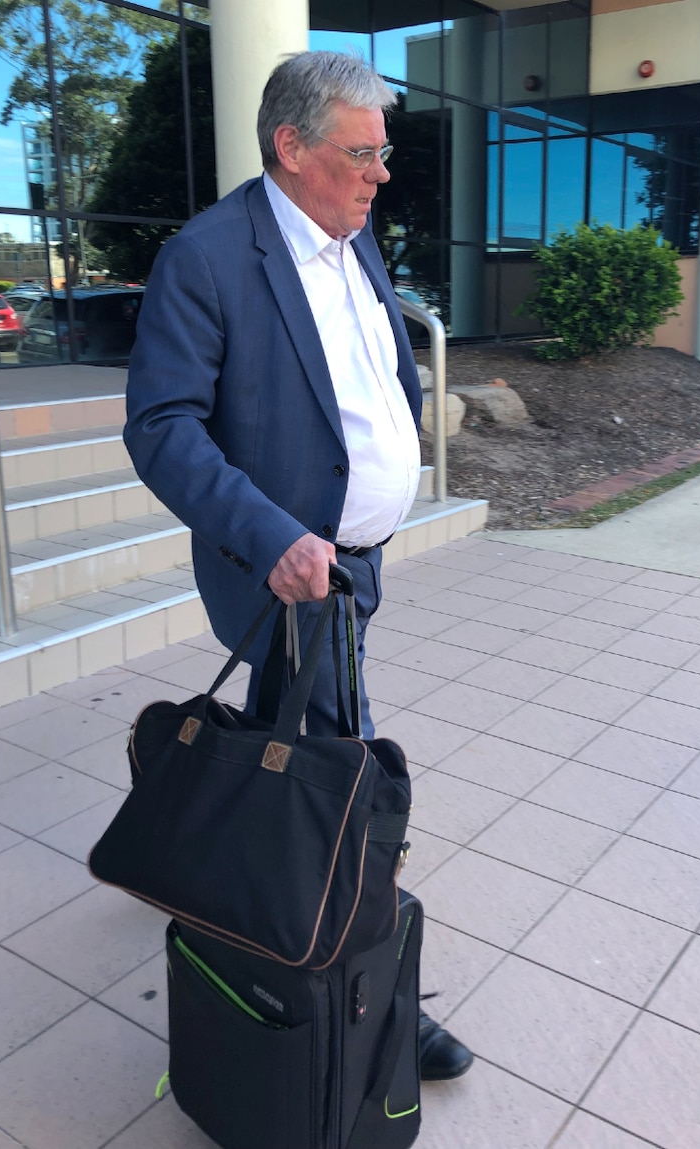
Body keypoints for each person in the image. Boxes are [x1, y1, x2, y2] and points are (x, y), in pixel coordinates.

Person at [124, 49, 473, 1082]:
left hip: (356, 566)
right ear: (291, 147)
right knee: (337, 790)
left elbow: (358, 382)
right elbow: (161, 427)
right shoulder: (209, 256)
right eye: (361, 154)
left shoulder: (351, 235)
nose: (381, 174)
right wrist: (271, 533)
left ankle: (193, 816)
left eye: (382, 152)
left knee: (300, 768)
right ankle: (370, 1002)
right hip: (285, 576)